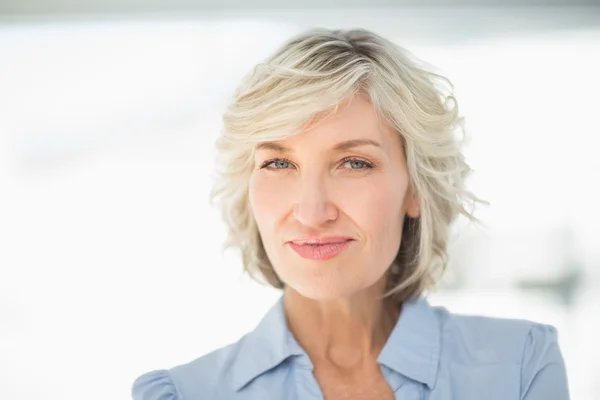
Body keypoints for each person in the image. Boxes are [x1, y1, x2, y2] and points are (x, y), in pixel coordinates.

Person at [131, 28, 570, 399]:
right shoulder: (184, 394)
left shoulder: (519, 370)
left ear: (415, 189)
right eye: (279, 163)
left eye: (354, 163)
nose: (311, 211)